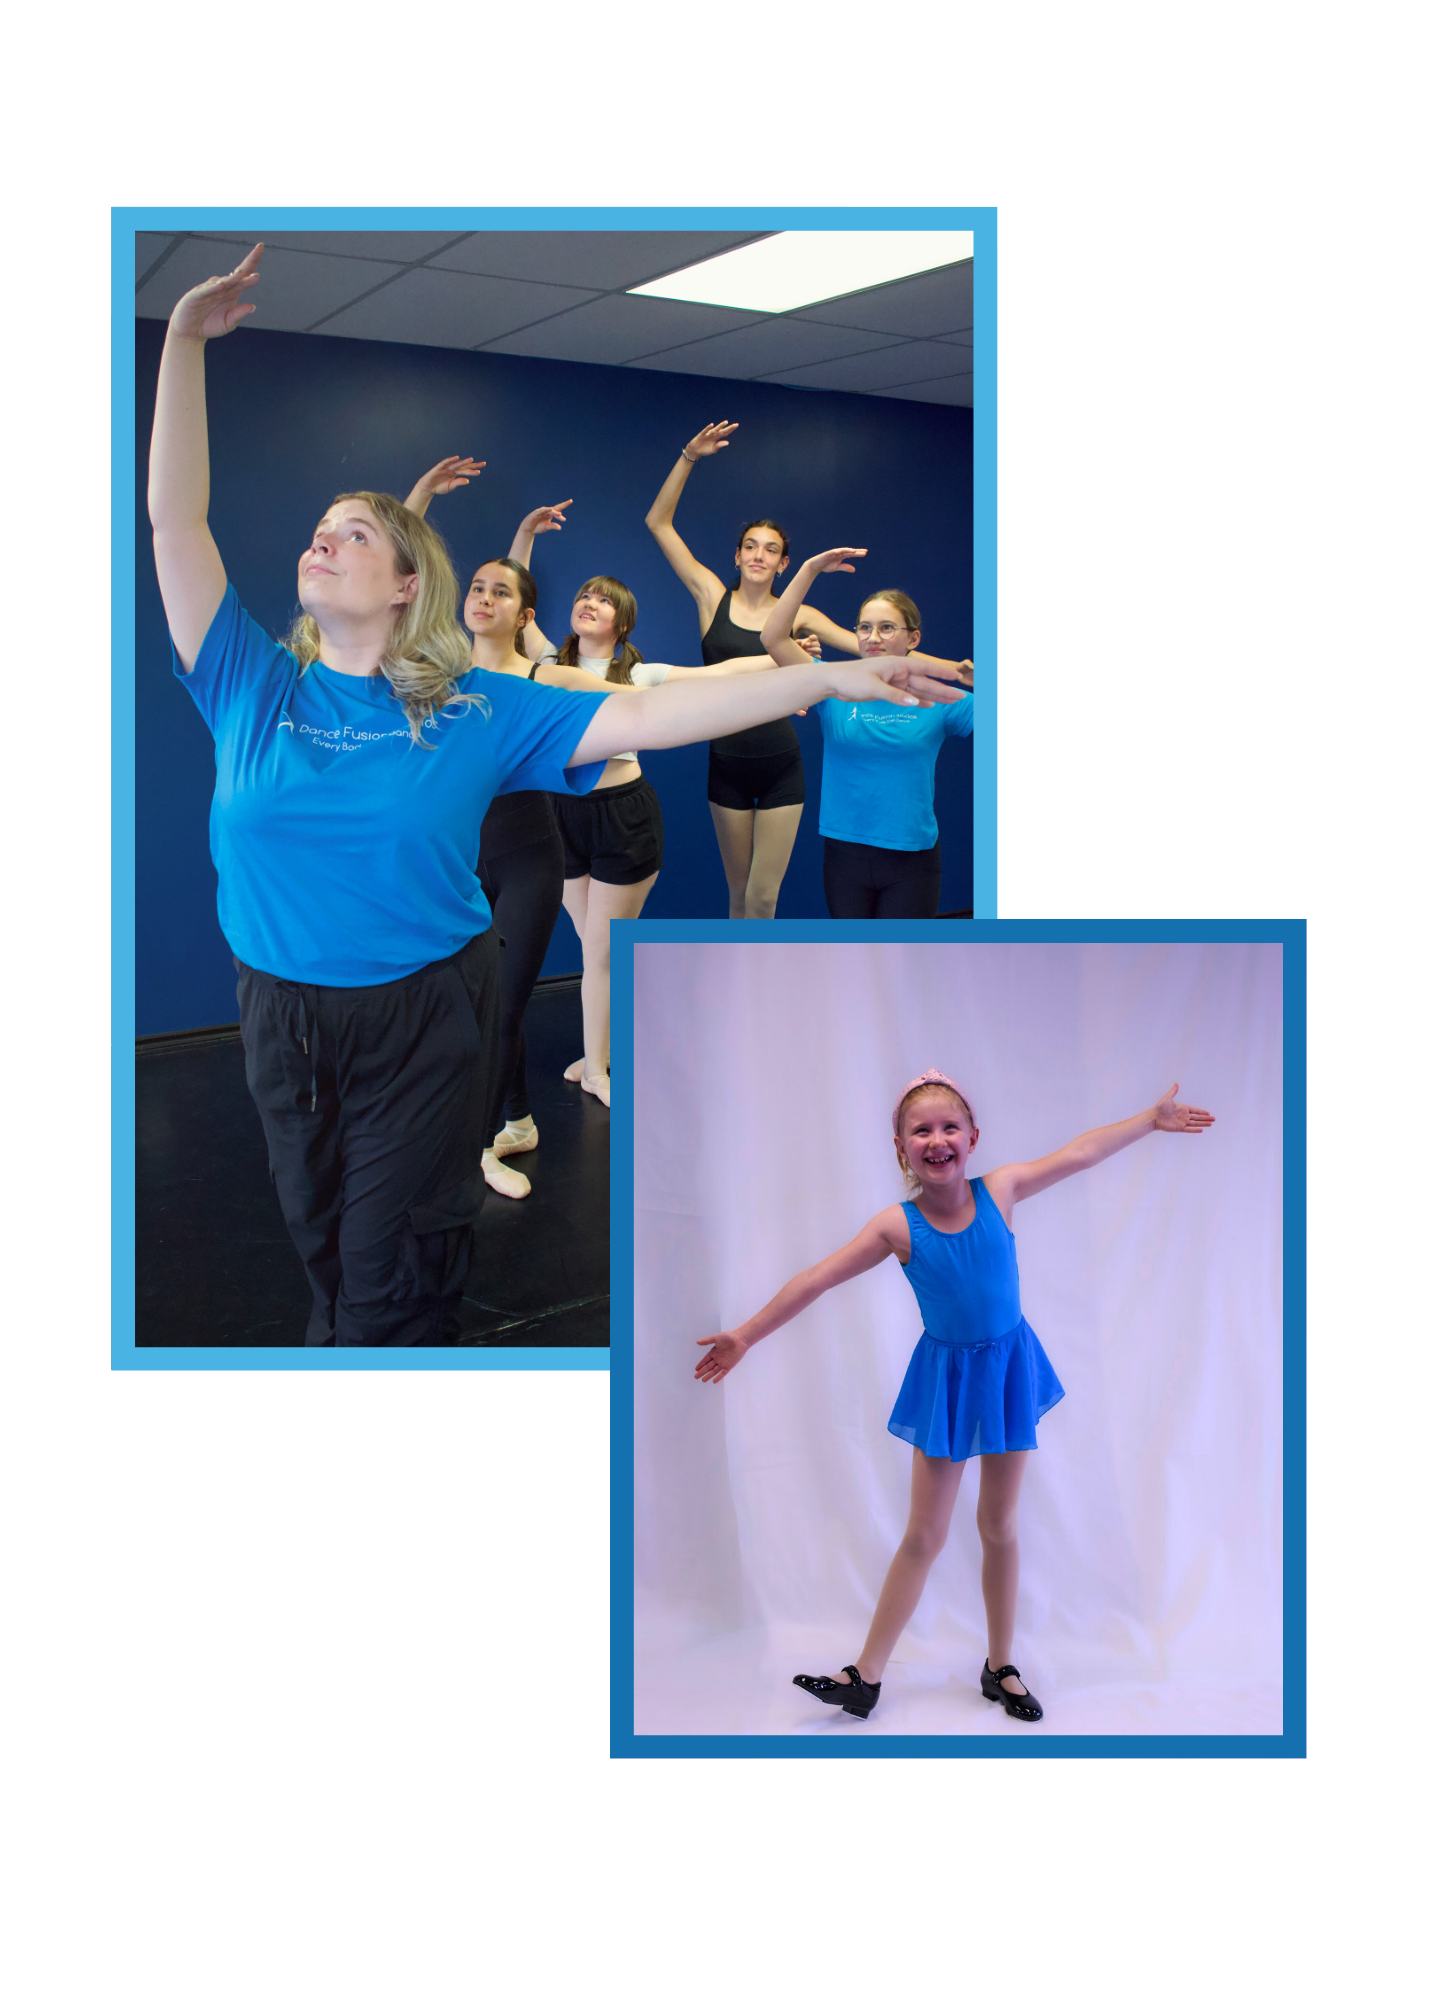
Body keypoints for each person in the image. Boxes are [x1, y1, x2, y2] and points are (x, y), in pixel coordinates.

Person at [150, 245, 970, 1344]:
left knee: (395, 1266)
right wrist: (181, 344)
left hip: (422, 1013)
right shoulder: (249, 683)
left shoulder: (479, 704)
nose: (323, 536)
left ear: (407, 585)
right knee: (323, 1242)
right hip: (280, 1016)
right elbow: (174, 522)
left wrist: (822, 672)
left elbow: (647, 715)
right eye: (321, 525)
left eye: (358, 531)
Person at [694, 1070, 1216, 1721]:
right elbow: (816, 1279)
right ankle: (866, 1674)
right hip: (946, 1382)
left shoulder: (1000, 1189)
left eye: (948, 1127)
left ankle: (1000, 1666)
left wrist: (1147, 1120)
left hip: (1006, 1371)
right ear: (899, 1147)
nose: (936, 1139)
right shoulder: (895, 1226)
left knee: (998, 1525)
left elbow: (1079, 1152)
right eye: (921, 1131)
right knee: (924, 1533)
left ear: (972, 1137)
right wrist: (745, 1335)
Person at [644, 422, 863, 919]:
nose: (758, 554)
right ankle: (737, 986)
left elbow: (865, 647)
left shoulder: (797, 615)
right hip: (727, 764)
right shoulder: (710, 597)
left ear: (784, 563)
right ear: (737, 556)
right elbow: (659, 523)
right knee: (738, 895)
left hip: (781, 762)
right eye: (750, 546)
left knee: (764, 897)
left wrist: (944, 668)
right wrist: (689, 456)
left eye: (770, 549)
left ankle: (757, 992)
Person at [763, 552, 974, 918]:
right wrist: (809, 570)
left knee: (898, 967)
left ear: (914, 638)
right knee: (855, 963)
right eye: (864, 627)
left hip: (912, 857)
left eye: (887, 627)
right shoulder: (832, 684)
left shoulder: (941, 697)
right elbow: (774, 637)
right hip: (845, 853)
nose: (873, 637)